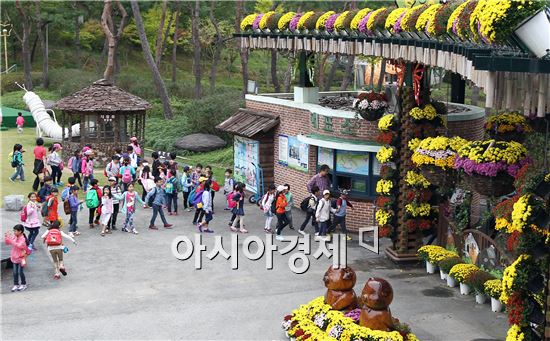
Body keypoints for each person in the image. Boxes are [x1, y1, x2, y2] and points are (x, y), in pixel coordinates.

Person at [4, 225, 29, 292]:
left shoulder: (23, 239)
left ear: (20, 231)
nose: (14, 232)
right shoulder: (15, 237)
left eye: (15, 231)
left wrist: (11, 240)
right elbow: (7, 243)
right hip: (14, 257)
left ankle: (24, 284)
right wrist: (7, 237)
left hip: (21, 258)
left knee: (20, 272)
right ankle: (16, 284)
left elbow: (19, 246)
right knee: (15, 273)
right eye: (14, 230)